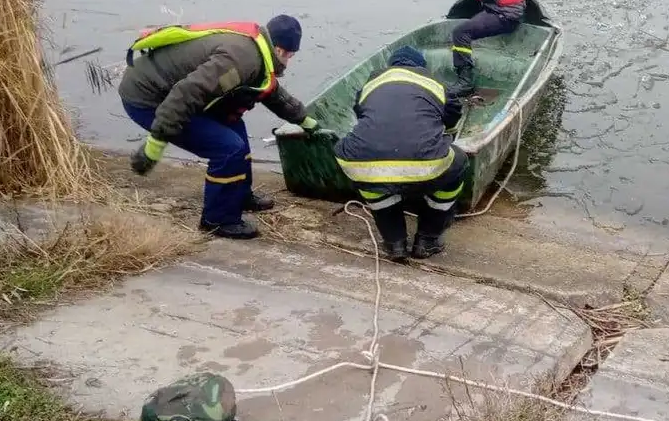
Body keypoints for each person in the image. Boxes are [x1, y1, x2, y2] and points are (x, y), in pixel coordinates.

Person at [118, 15, 321, 240]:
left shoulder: (256, 48)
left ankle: (238, 195)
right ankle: (218, 219)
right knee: (228, 148)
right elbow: (187, 94)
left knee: (236, 129)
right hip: (147, 98)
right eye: (291, 55)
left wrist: (305, 121)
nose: (289, 61)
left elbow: (271, 92)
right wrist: (154, 146)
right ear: (281, 50)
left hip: (171, 92)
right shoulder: (241, 60)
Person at [334, 45, 466, 262]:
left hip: (360, 165)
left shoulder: (374, 80)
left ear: (392, 65)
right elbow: (453, 112)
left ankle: (395, 243)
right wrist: (446, 133)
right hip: (424, 164)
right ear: (420, 66)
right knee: (458, 163)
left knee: (366, 166)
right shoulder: (432, 81)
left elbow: (360, 110)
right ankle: (427, 240)